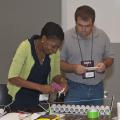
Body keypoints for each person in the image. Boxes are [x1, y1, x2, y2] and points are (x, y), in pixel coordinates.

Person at [60, 5, 114, 105]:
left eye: (87, 26)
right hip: (74, 88)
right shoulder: (66, 37)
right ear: (75, 22)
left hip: (97, 88)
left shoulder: (102, 36)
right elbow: (60, 63)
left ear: (93, 23)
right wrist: (74, 68)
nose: (83, 29)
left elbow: (110, 58)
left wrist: (104, 64)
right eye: (80, 25)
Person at [7, 22, 67, 110]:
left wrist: (62, 81)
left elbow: (55, 75)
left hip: (42, 102)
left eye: (58, 47)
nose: (55, 51)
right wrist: (40, 87)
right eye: (53, 46)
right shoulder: (25, 47)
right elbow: (12, 77)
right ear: (43, 39)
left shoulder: (55, 53)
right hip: (19, 100)